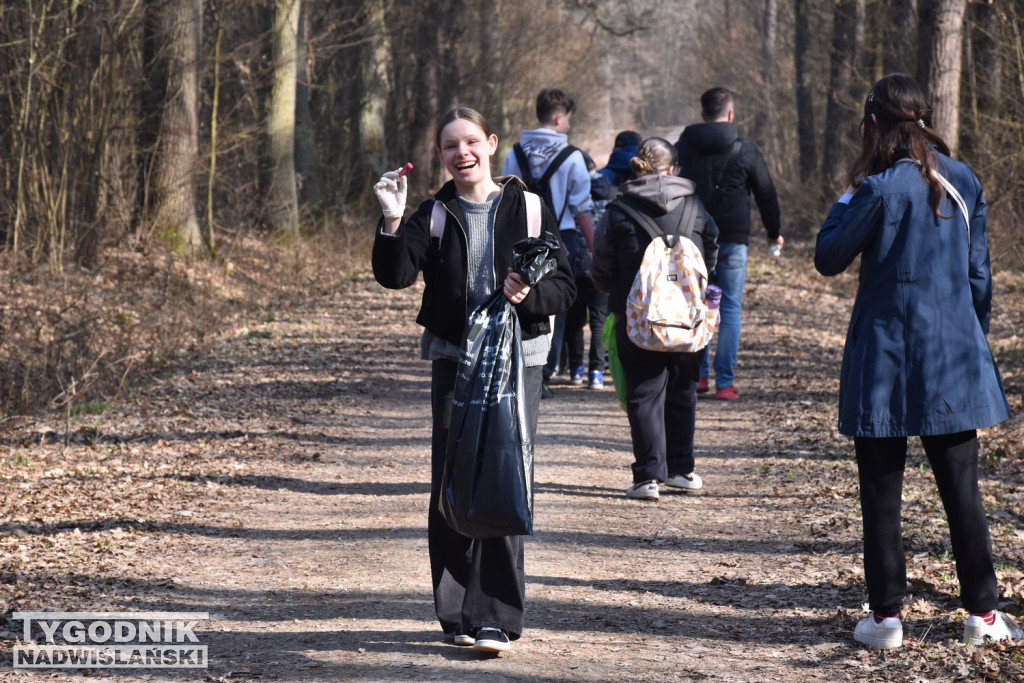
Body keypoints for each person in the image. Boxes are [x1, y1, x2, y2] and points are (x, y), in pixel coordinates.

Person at [814, 73, 1019, 650]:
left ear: (873, 122)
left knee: (881, 492)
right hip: (952, 359)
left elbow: (828, 255)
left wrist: (849, 190)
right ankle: (981, 616)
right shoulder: (964, 180)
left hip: (884, 361)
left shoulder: (876, 188)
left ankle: (885, 621)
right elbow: (979, 277)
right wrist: (969, 341)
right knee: (962, 492)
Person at [372, 106, 576, 653]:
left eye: (470, 142)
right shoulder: (434, 212)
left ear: (490, 144)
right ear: (440, 156)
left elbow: (566, 290)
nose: (461, 153)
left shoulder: (530, 207)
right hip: (454, 362)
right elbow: (394, 276)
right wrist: (391, 220)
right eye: (449, 147)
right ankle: (458, 612)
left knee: (504, 478)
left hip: (517, 360)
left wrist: (529, 293)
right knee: (451, 480)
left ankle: (496, 617)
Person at [591, 137, 718, 500]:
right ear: (673, 167)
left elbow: (601, 262)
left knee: (644, 394)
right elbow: (711, 252)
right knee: (683, 390)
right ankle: (681, 470)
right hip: (687, 316)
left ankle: (648, 477)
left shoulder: (619, 209)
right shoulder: (695, 205)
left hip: (636, 317)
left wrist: (614, 293)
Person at [675, 87, 782, 401]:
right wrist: (774, 231)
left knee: (696, 305)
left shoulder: (683, 147)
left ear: (702, 114)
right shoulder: (745, 149)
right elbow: (766, 192)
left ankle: (697, 377)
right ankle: (725, 384)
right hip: (734, 239)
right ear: (731, 114)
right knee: (730, 309)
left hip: (692, 238)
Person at [501, 88, 598, 395]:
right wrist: (594, 247)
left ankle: (517, 365)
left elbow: (504, 195)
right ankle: (542, 373)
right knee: (554, 304)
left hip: (520, 237)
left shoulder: (514, 153)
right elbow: (582, 207)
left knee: (518, 298)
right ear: (559, 118)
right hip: (561, 240)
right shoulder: (573, 158)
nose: (568, 126)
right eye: (568, 120)